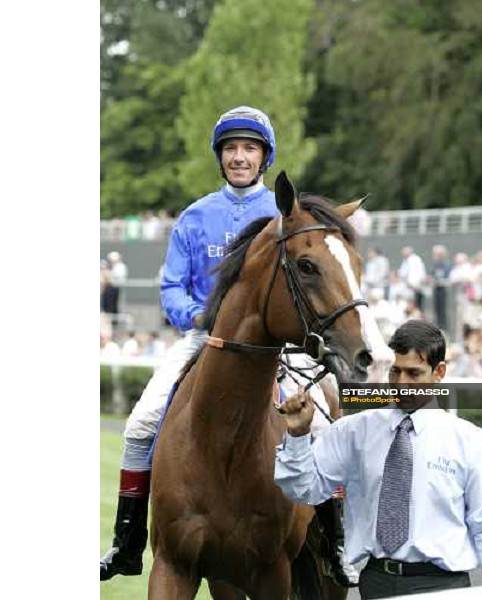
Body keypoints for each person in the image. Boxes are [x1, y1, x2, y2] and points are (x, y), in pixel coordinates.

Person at [100, 106, 355, 586]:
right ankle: (127, 542)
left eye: (250, 149)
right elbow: (172, 286)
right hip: (204, 336)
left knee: (322, 421)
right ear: (221, 158)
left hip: (273, 341)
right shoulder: (195, 216)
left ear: (264, 157)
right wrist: (197, 316)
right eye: (231, 149)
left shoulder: (282, 216)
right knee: (141, 423)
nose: (240, 157)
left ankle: (336, 541)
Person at [275, 320, 482, 598]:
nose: (401, 383)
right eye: (396, 371)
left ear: (439, 372)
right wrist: (297, 435)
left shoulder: (474, 443)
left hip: (443, 586)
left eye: (414, 373)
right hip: (375, 582)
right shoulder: (353, 432)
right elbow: (302, 489)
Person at [429, 244, 452, 332]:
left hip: (445, 291)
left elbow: (448, 276)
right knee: (437, 312)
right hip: (436, 290)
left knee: (444, 312)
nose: (435, 256)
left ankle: (445, 330)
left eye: (437, 254)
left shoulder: (447, 265)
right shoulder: (435, 265)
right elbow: (431, 276)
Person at [397, 247, 426, 312]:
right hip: (407, 289)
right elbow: (402, 274)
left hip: (415, 288)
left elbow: (419, 274)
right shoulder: (404, 262)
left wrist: (413, 283)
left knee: (417, 308)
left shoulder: (416, 260)